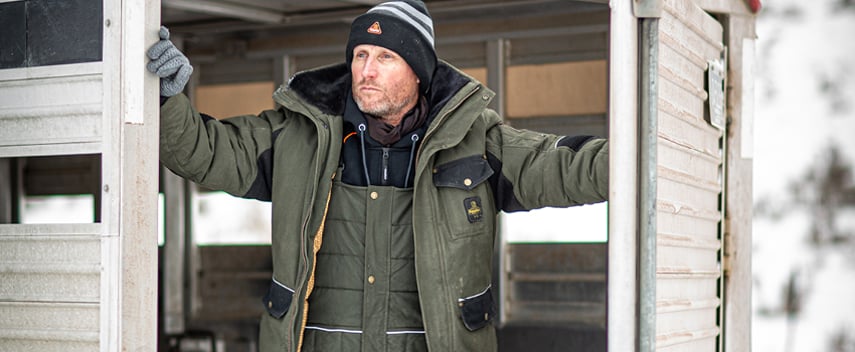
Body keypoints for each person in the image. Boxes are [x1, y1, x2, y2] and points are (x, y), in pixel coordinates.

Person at [147, 1, 608, 351]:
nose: (366, 70)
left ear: (418, 71)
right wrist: (166, 98)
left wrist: (643, 155)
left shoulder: (476, 139)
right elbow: (202, 151)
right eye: (360, 54)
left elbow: (565, 166)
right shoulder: (297, 136)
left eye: (385, 56)